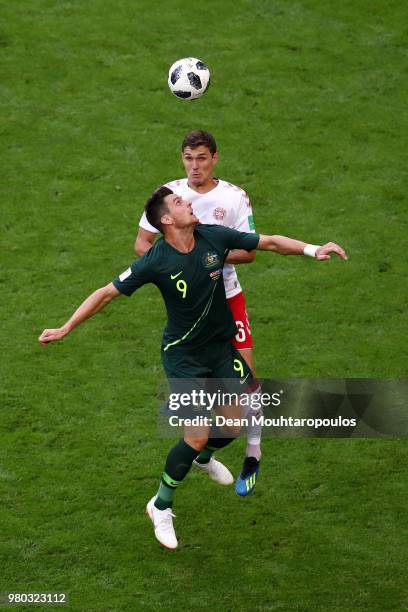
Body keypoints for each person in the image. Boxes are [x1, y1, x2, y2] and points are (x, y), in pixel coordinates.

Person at [39, 186, 347, 549]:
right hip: (184, 357)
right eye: (180, 203)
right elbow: (107, 292)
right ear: (167, 220)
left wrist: (314, 249)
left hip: (219, 349)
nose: (189, 202)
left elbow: (270, 242)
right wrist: (66, 327)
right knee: (197, 432)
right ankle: (161, 506)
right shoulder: (155, 260)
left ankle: (201, 459)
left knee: (234, 423)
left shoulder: (212, 237)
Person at [135, 130, 262, 496]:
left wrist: (210, 257)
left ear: (215, 159)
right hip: (190, 304)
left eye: (202, 158)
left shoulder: (234, 197)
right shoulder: (169, 195)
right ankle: (194, 454)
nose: (195, 166)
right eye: (189, 158)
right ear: (182, 159)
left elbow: (251, 251)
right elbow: (143, 243)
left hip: (228, 297)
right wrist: (176, 270)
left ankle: (212, 454)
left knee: (245, 390)